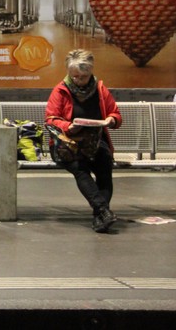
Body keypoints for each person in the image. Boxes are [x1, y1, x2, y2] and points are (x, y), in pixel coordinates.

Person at [46, 49, 123, 234]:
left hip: (96, 141)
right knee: (80, 169)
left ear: (91, 72)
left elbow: (115, 114)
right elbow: (50, 119)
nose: (79, 80)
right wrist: (68, 126)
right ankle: (103, 211)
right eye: (75, 76)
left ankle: (100, 216)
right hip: (68, 144)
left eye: (84, 77)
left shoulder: (100, 89)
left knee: (104, 168)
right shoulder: (61, 90)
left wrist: (111, 120)